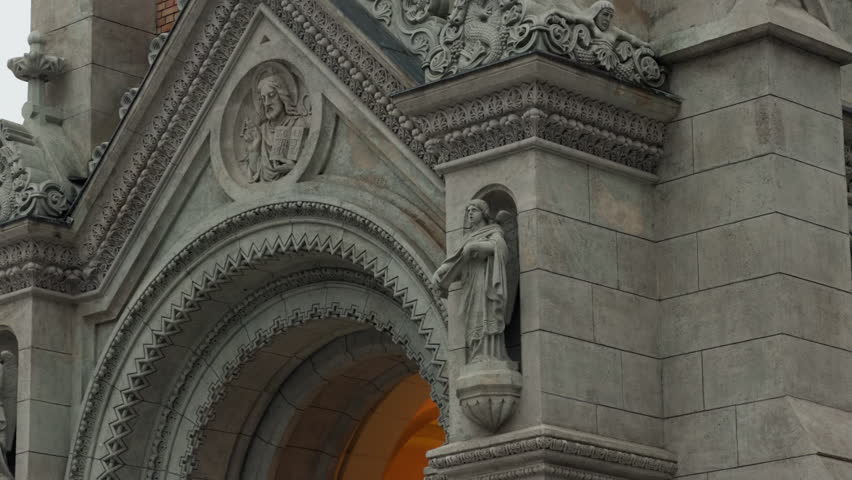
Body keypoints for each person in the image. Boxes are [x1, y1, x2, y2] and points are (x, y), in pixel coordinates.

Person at [432, 199, 510, 364]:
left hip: (486, 280)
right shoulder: (468, 238)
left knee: (485, 315)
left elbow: (501, 249)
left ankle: (490, 355)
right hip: (470, 283)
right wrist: (440, 271)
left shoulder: (493, 231)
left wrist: (476, 246)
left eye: (474, 210)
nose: (470, 214)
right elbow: (457, 260)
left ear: (483, 213)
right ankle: (477, 354)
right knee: (473, 320)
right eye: (468, 211)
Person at [241, 67, 309, 183]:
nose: (267, 103)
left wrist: (293, 167)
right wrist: (256, 145)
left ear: (282, 96)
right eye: (263, 98)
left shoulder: (297, 124)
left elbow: (303, 162)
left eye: (272, 95)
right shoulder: (261, 130)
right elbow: (252, 174)